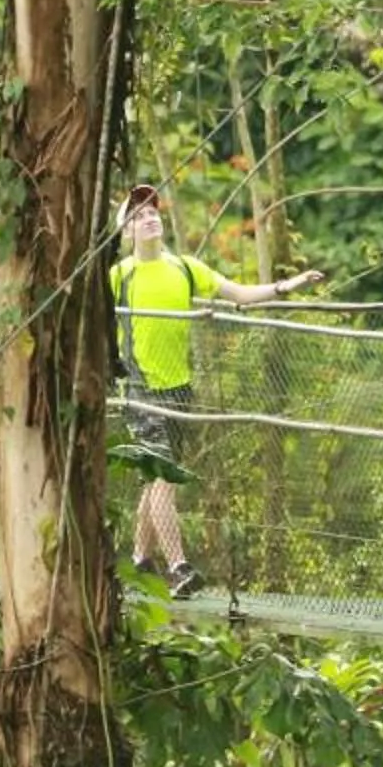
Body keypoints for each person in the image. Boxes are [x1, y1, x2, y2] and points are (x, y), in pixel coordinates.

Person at [108, 182, 322, 595]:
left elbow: (239, 294)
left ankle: (138, 559)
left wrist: (284, 287)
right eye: (139, 215)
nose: (150, 218)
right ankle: (180, 567)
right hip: (139, 389)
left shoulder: (186, 269)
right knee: (162, 477)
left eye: (154, 212)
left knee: (152, 483)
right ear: (127, 232)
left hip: (178, 389)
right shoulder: (117, 276)